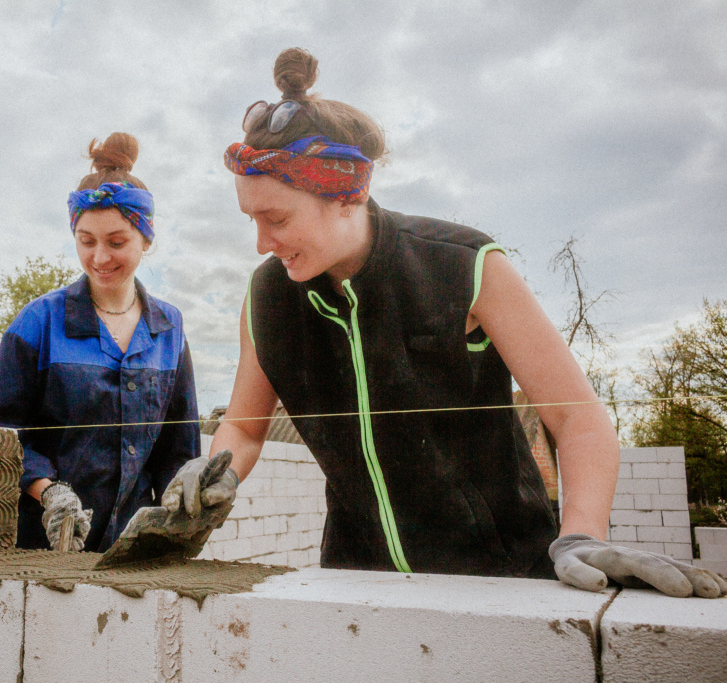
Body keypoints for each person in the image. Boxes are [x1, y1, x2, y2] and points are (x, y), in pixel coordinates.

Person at [162, 48, 726, 598]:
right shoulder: (268, 297)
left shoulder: (467, 265)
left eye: (277, 218)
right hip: (357, 588)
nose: (262, 243)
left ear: (346, 196)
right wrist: (214, 471)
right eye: (251, 220)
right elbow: (243, 428)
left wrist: (580, 533)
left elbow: (576, 418)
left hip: (504, 582)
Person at [0, 132, 200, 553]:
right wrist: (48, 492)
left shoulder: (169, 328)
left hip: (131, 551)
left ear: (146, 240)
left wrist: (181, 512)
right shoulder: (37, 323)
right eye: (87, 241)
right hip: (43, 547)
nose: (100, 257)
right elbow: (2, 432)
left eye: (117, 242)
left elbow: (180, 444)